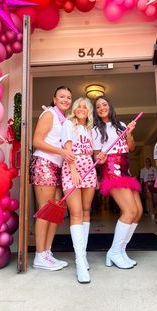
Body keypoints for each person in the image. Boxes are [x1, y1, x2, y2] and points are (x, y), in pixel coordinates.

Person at [92, 96, 143, 269]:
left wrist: (129, 133)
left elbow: (132, 148)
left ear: (110, 106)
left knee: (138, 211)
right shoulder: (96, 130)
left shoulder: (121, 125)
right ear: (96, 111)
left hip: (125, 170)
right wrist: (100, 158)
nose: (101, 108)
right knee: (129, 211)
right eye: (98, 106)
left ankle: (120, 250)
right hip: (112, 171)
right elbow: (96, 158)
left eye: (104, 104)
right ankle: (114, 252)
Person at [30, 86, 74, 271]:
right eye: (62, 96)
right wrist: (61, 151)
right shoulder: (49, 114)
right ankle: (39, 256)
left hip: (56, 167)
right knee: (45, 210)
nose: (65, 99)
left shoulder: (64, 120)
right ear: (54, 99)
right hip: (44, 164)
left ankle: (47, 252)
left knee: (55, 212)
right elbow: (36, 141)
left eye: (68, 97)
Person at [61, 97, 97, 283]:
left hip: (90, 167)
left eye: (85, 107)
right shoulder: (68, 124)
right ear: (74, 109)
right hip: (72, 167)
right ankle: (80, 262)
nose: (81, 109)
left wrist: (103, 156)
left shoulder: (92, 129)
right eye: (79, 106)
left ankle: (82, 255)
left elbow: (96, 152)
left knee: (85, 211)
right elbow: (67, 149)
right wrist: (73, 170)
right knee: (75, 213)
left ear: (89, 111)